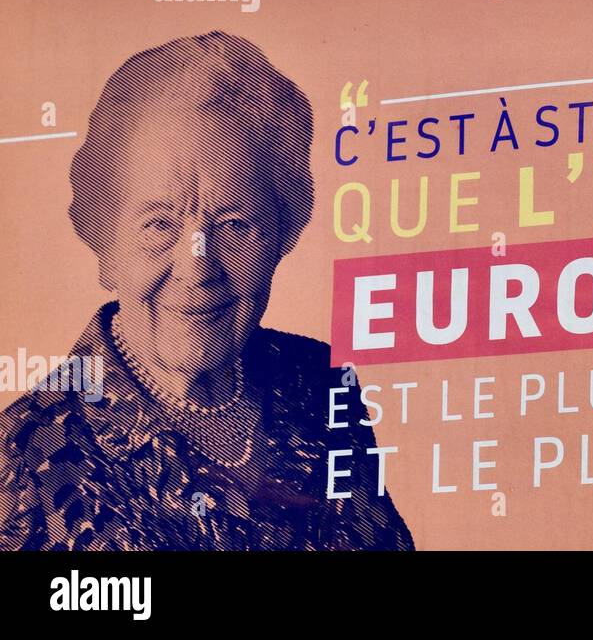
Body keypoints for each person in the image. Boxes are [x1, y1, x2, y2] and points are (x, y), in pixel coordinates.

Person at [0, 31, 414, 550]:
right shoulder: (28, 460)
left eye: (234, 224)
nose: (198, 266)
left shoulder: (319, 381)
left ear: (283, 233)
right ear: (104, 238)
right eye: (159, 225)